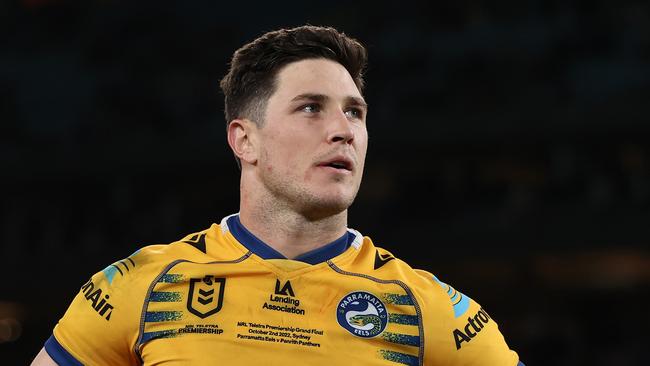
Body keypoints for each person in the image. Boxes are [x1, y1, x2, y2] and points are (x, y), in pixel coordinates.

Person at [32, 25, 523, 365]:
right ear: (245, 139)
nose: (342, 130)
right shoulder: (142, 286)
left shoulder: (422, 307)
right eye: (311, 108)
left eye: (355, 112)